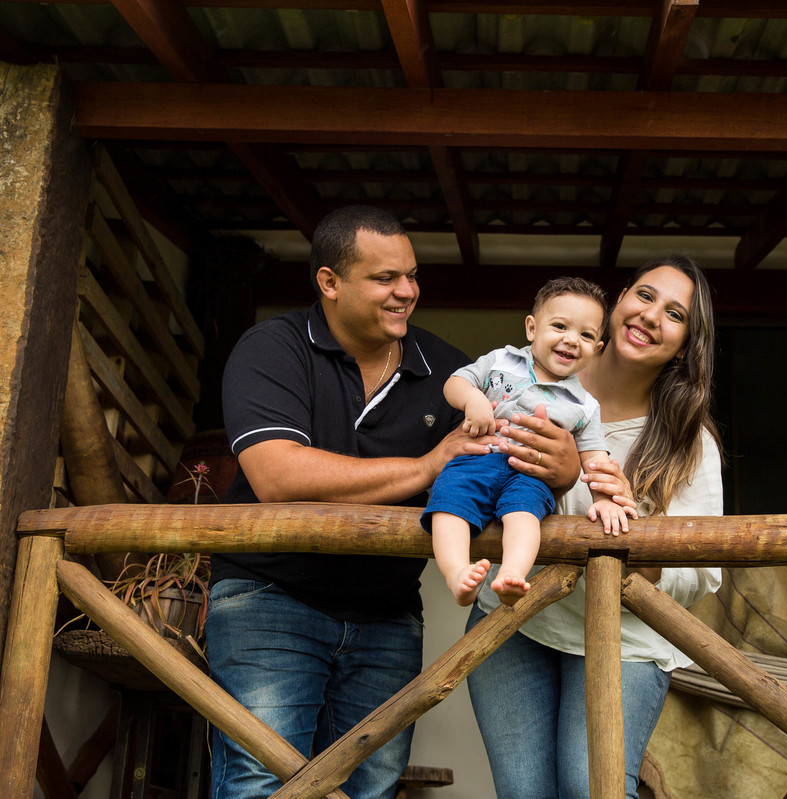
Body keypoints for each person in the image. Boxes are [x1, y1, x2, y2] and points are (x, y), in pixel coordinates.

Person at [206, 205, 581, 799]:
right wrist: (427, 466)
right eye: (385, 279)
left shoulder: (451, 371)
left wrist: (565, 470)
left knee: (370, 788)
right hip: (268, 597)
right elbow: (276, 474)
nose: (407, 291)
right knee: (261, 782)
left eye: (411, 275)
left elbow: (498, 473)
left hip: (387, 613)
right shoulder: (272, 347)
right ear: (329, 282)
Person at [466, 254, 725, 799]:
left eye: (676, 314)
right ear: (618, 302)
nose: (653, 316)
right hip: (516, 617)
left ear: (685, 345)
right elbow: (475, 479)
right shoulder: (524, 381)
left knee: (594, 791)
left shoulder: (688, 440)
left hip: (624, 642)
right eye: (646, 296)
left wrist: (591, 499)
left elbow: (703, 573)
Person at [422, 277, 635, 607]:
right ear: (532, 328)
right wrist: (472, 400)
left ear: (597, 350)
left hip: (531, 476)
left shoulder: (585, 405)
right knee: (449, 501)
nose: (571, 340)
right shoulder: (500, 361)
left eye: (586, 335)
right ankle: (456, 573)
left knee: (525, 516)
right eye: (560, 326)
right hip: (478, 458)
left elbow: (595, 459)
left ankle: (512, 574)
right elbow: (455, 383)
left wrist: (604, 499)